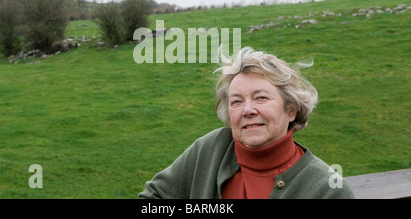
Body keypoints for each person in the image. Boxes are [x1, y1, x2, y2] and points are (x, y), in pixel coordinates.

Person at [139, 46, 355, 199]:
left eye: (261, 97)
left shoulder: (328, 190)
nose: (248, 110)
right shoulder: (210, 150)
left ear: (291, 110)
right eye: (236, 101)